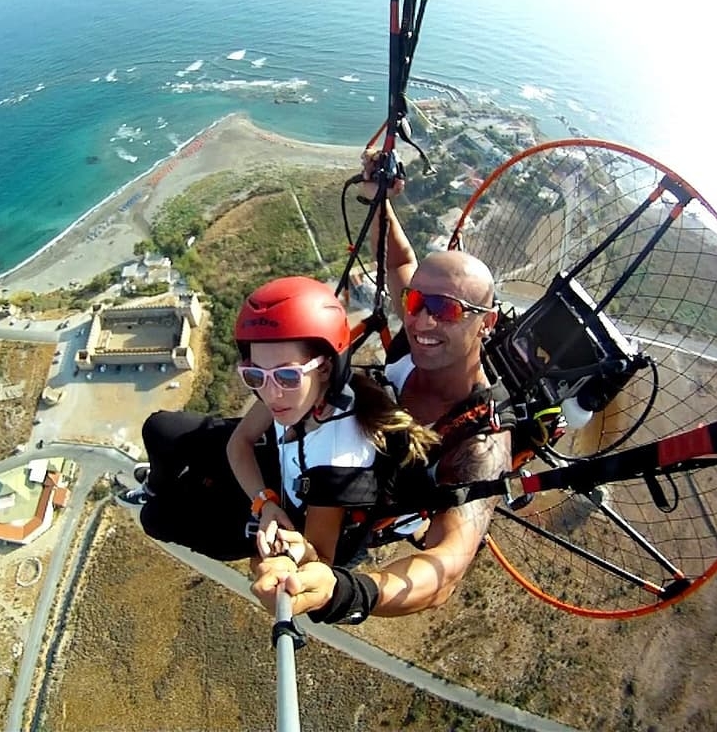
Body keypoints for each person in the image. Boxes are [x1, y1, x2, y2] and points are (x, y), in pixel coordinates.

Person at [249, 158, 514, 624]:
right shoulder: (414, 349)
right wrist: (381, 201)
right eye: (416, 303)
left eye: (446, 310)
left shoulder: (479, 439)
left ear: (485, 322)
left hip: (336, 508)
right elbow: (400, 264)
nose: (421, 321)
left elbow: (447, 564)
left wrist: (350, 593)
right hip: (311, 445)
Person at [118, 275, 437, 565]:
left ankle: (163, 495)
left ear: (325, 368)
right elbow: (239, 442)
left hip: (291, 509)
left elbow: (318, 561)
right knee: (159, 429)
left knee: (155, 518)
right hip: (276, 473)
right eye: (255, 375)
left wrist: (270, 517)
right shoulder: (299, 393)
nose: (271, 394)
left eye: (287, 375)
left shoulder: (339, 460)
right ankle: (155, 486)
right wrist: (263, 499)